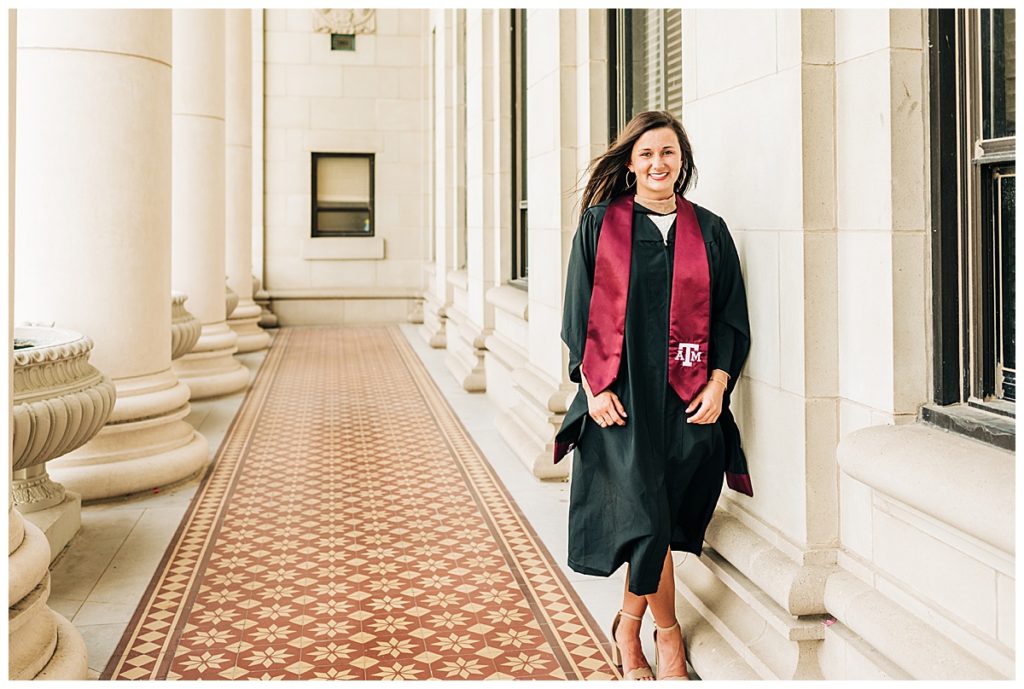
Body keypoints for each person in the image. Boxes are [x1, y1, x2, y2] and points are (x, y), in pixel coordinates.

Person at [553, 110, 752, 681]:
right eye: (646, 154)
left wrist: (718, 383)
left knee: (658, 519)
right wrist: (593, 389)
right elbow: (576, 315)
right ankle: (666, 639)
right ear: (631, 164)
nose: (657, 164)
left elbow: (731, 318)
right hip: (620, 401)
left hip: (689, 401)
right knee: (647, 519)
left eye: (667, 153)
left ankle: (626, 622)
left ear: (682, 161)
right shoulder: (599, 225)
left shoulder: (709, 230)